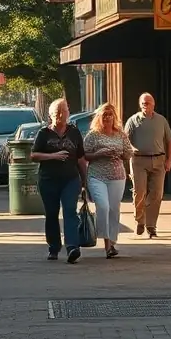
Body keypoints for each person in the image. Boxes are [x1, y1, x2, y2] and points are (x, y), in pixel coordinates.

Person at [31, 98, 86, 263]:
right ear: (51, 115)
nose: (61, 115)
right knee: (52, 213)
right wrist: (52, 156)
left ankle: (72, 247)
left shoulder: (74, 132)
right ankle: (54, 248)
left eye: (64, 111)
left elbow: (81, 158)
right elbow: (33, 155)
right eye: (58, 112)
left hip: (70, 179)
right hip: (48, 180)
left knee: (70, 210)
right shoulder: (44, 133)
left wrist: (85, 181)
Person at [83, 102, 133, 258]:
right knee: (103, 207)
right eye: (104, 115)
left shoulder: (120, 134)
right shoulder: (93, 135)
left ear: (114, 117)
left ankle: (111, 243)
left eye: (110, 114)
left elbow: (129, 152)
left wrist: (120, 154)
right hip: (97, 175)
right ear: (99, 117)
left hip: (117, 176)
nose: (107, 117)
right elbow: (84, 155)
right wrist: (99, 153)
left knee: (114, 208)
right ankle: (106, 243)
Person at [124, 93, 171, 238]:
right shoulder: (133, 121)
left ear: (154, 104)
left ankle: (151, 226)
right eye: (143, 103)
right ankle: (140, 220)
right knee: (139, 191)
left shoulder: (161, 120)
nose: (146, 105)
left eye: (149, 103)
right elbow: (124, 140)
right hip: (139, 161)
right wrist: (130, 149)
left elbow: (170, 141)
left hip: (159, 160)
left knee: (156, 194)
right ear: (140, 105)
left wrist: (169, 160)